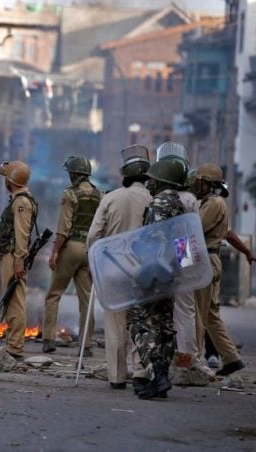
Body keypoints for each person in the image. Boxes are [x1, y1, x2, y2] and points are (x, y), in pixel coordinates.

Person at [87, 144, 152, 390]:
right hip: (144, 271)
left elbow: (94, 236)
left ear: (125, 175)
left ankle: (116, 376)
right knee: (142, 322)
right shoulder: (153, 199)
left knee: (115, 324)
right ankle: (140, 372)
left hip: (113, 270)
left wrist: (92, 264)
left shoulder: (110, 198)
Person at [128, 159, 186, 400]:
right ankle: (161, 378)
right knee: (163, 326)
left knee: (139, 322)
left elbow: (153, 242)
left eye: (152, 179)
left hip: (153, 272)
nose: (149, 182)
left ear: (161, 180)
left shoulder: (159, 204)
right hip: (171, 274)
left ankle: (157, 375)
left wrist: (138, 248)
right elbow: (183, 246)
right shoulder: (180, 205)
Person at [155, 142, 212, 384]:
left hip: (161, 251)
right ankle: (186, 359)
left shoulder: (158, 194)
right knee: (185, 309)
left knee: (157, 308)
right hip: (184, 248)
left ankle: (156, 358)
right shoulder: (190, 198)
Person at [190, 163, 246, 376]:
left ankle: (193, 360)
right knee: (211, 314)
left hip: (206, 259)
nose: (197, 186)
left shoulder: (213, 204)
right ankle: (232, 359)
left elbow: (194, 229)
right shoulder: (210, 202)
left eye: (200, 182)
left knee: (198, 313)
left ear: (208, 184)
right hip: (210, 258)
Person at [42, 156, 101, 356]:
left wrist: (55, 251)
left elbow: (63, 228)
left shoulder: (70, 194)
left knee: (53, 294)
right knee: (86, 300)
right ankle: (86, 345)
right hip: (90, 249)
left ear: (74, 174)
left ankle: (48, 339)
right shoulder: (99, 195)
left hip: (72, 247)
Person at [0, 160, 37, 361]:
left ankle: (16, 347)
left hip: (13, 256)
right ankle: (13, 342)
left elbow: (21, 234)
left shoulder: (21, 203)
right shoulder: (18, 200)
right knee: (11, 300)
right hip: (9, 254)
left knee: (15, 301)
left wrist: (19, 260)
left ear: (11, 181)